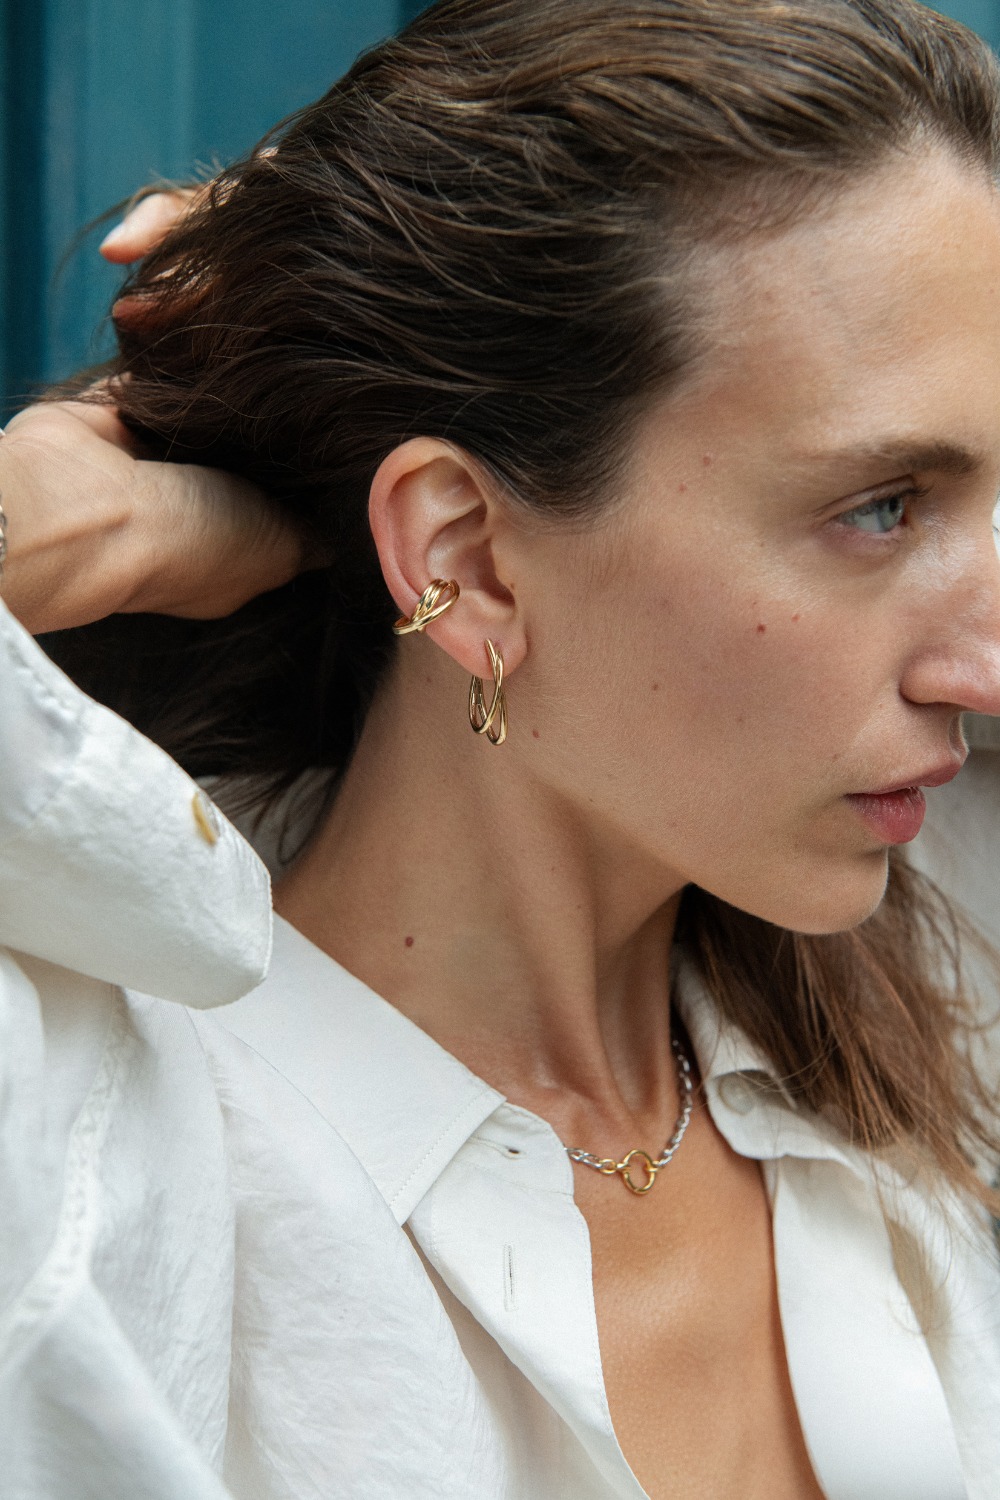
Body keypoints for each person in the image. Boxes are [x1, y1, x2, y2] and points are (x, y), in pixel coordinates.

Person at [2, 0, 1000, 1496]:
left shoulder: (916, 1030)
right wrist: (36, 525)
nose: (986, 667)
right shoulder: (91, 1157)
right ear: (467, 557)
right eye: (879, 509)